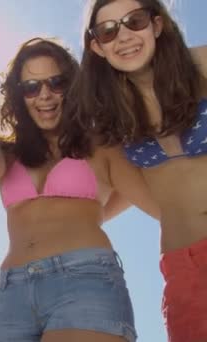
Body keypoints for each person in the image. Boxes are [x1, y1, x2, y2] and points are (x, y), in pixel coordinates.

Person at [0, 38, 159, 341]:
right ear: (19, 96)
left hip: (85, 279)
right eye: (31, 87)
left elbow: (152, 199)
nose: (44, 95)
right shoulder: (6, 152)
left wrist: (96, 215)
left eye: (56, 82)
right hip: (13, 291)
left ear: (74, 86)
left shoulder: (100, 145)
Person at [68, 0, 207, 340]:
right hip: (183, 265)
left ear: (156, 24)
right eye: (109, 30)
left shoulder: (202, 64)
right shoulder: (109, 121)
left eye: (135, 21)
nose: (125, 36)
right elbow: (114, 194)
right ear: (97, 46)